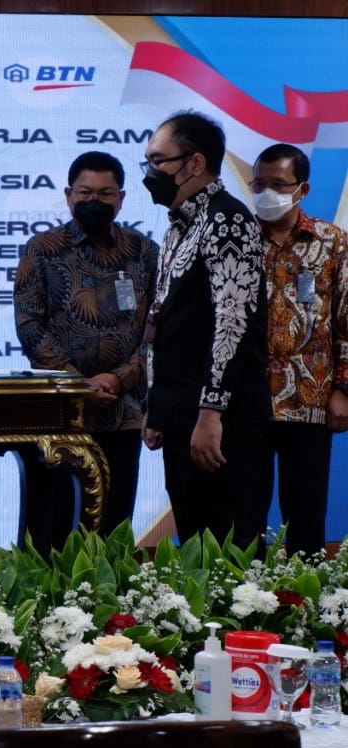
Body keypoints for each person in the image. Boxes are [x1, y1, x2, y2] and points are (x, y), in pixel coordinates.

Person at [14, 151, 159, 553]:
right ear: (68, 195)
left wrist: (119, 378)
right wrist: (80, 385)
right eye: (85, 193)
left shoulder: (144, 251)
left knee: (114, 526)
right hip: (62, 413)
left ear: (121, 198)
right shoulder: (41, 249)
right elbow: (30, 326)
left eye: (105, 194)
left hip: (123, 410)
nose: (95, 201)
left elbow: (159, 331)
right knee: (57, 527)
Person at [140, 110, 272, 550]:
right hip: (181, 413)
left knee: (231, 551)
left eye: (158, 161)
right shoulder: (180, 227)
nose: (149, 172)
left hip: (220, 421)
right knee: (195, 550)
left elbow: (233, 322)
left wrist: (210, 413)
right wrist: (157, 407)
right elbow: (168, 321)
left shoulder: (228, 220)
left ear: (195, 163)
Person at [251, 143, 348, 555]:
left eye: (278, 185)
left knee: (306, 511)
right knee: (244, 512)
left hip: (310, 397)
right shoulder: (236, 240)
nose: (266, 193)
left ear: (302, 189)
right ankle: (241, 590)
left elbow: (345, 321)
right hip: (247, 399)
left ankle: (306, 590)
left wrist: (343, 389)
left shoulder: (332, 242)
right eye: (259, 184)